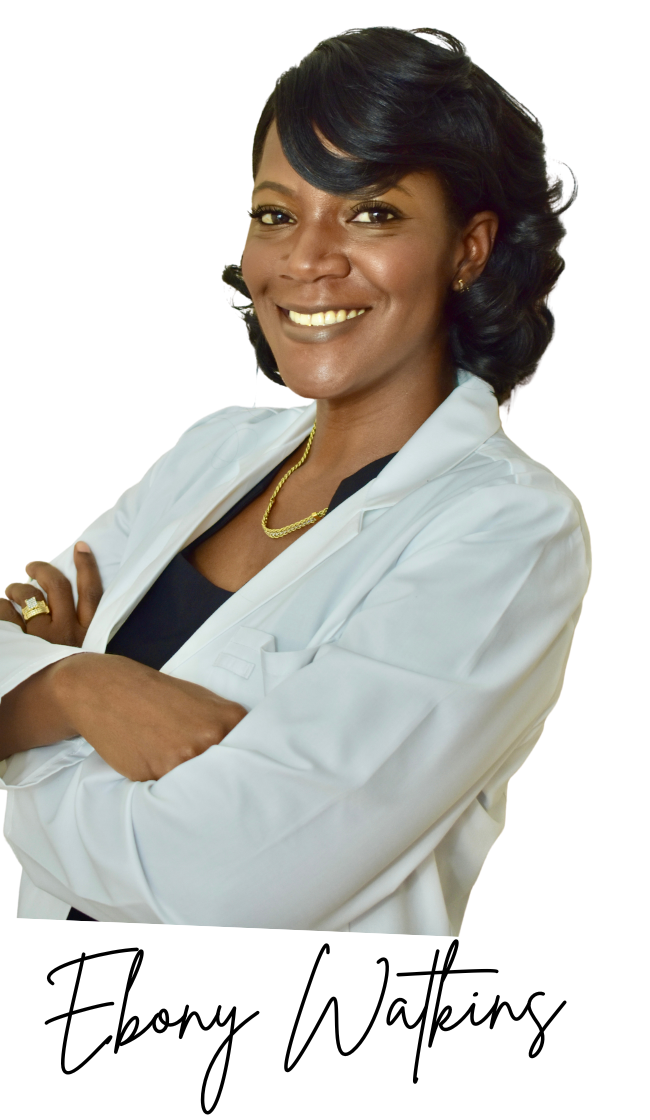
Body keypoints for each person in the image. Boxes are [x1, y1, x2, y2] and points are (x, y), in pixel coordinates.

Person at [0, 27, 590, 932]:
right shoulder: (215, 455)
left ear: (469, 249)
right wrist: (80, 692)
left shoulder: (507, 531)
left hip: (284, 1056)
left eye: (372, 213)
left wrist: (22, 731)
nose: (306, 260)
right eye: (277, 213)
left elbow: (221, 882)